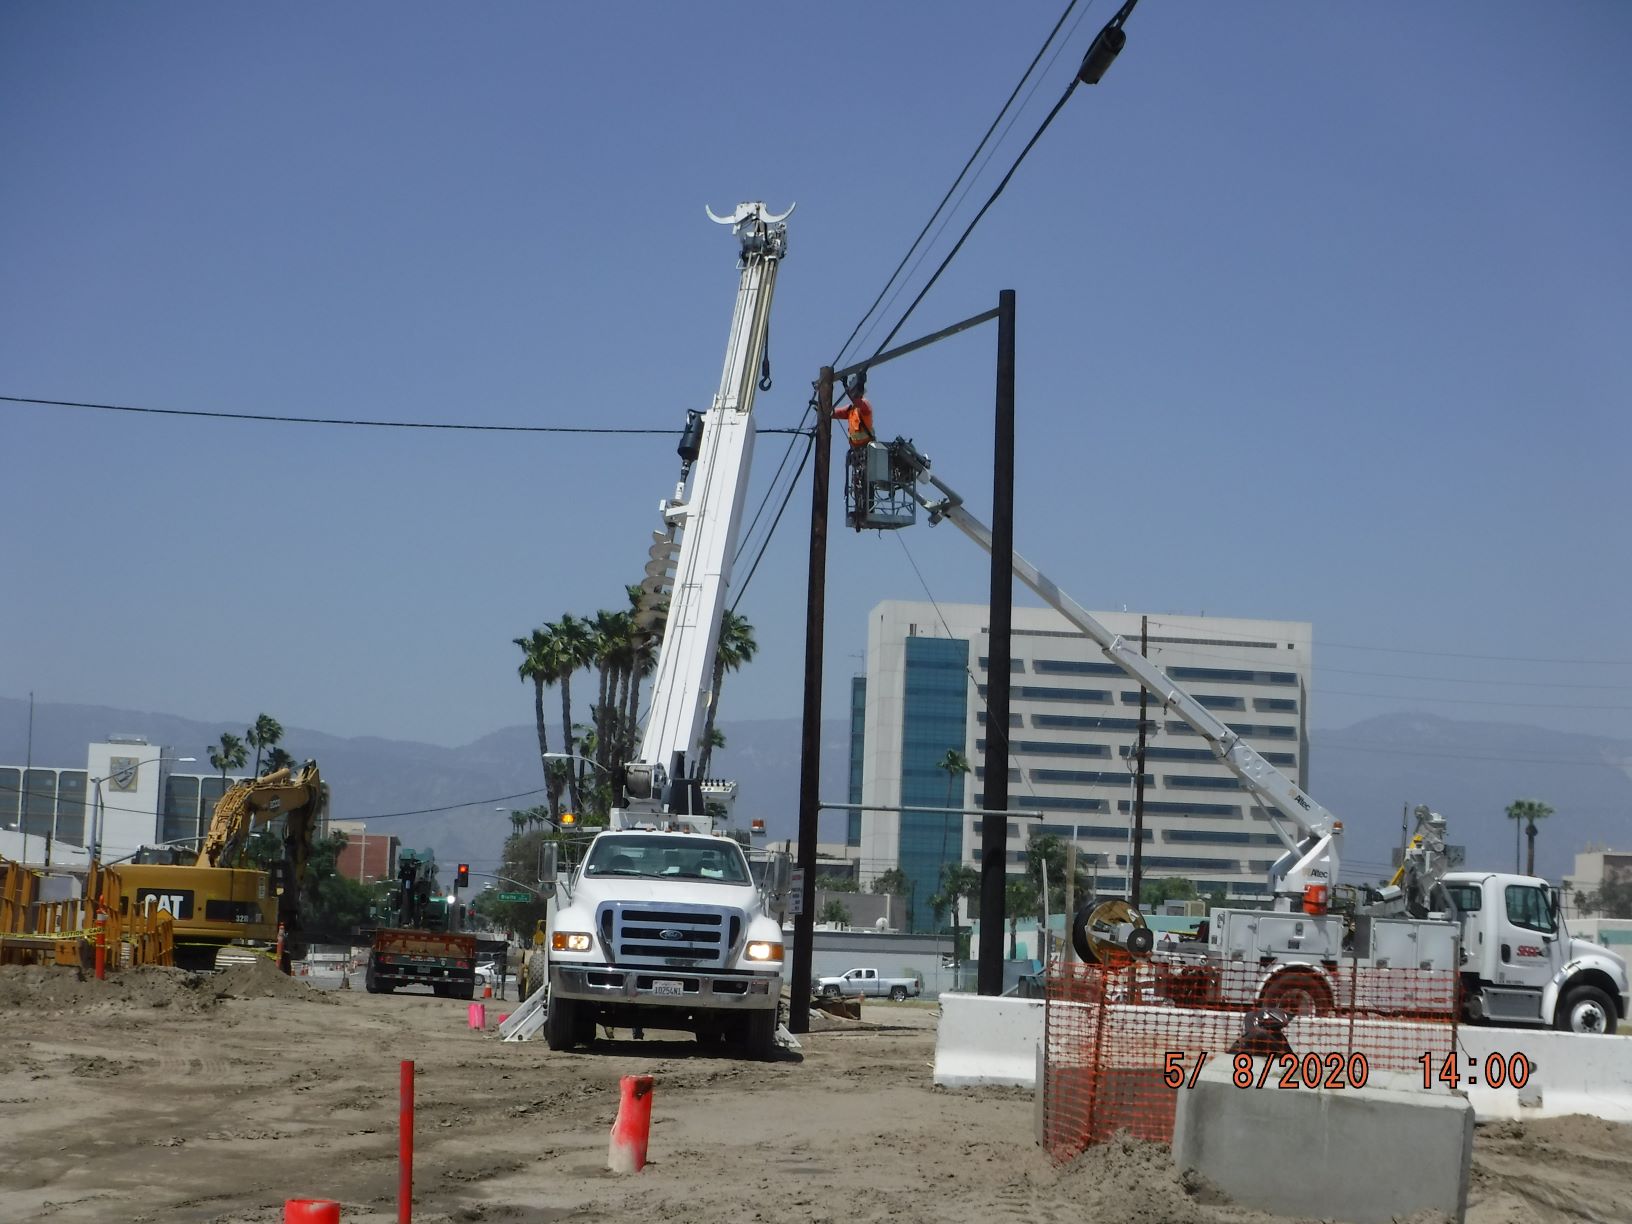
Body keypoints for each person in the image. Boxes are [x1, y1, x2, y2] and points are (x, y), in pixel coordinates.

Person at [832, 377, 875, 518]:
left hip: (867, 451)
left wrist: (846, 388)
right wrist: (822, 408)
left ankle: (868, 509)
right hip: (857, 452)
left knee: (866, 481)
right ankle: (859, 509)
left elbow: (857, 402)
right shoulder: (851, 409)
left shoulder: (865, 406)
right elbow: (835, 413)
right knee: (857, 481)